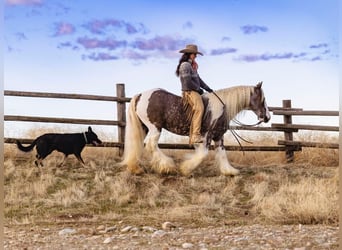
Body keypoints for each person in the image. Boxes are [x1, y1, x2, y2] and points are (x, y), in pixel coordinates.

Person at [176, 44, 213, 144]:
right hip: (190, 91)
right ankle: (195, 135)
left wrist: (207, 88)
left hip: (194, 90)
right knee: (200, 108)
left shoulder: (192, 66)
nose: (195, 56)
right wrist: (198, 89)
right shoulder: (185, 65)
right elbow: (187, 82)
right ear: (189, 54)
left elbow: (198, 79)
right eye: (194, 54)